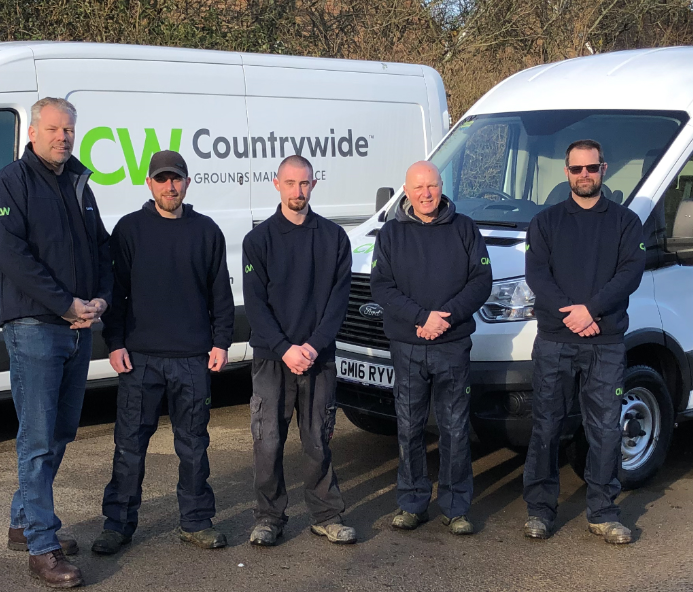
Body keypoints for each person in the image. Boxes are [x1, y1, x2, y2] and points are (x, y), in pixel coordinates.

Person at [0, 97, 113, 587]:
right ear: (33, 132)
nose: (63, 137)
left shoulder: (78, 184)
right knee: (37, 439)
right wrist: (64, 303)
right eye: (54, 129)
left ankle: (24, 521)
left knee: (59, 432)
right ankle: (42, 546)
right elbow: (10, 255)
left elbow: (101, 246)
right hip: (35, 325)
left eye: (69, 130)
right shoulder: (10, 183)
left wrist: (100, 298)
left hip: (78, 326)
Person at [91, 150, 234, 555]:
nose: (170, 186)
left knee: (194, 446)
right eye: (162, 179)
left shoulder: (206, 231)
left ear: (188, 182)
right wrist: (115, 343)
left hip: (192, 358)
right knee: (129, 446)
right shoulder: (129, 230)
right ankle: (117, 525)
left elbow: (220, 293)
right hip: (140, 359)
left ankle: (196, 521)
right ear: (149, 183)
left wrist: (221, 341)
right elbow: (115, 292)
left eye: (176, 179)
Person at [522, 139, 646, 545]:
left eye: (591, 168)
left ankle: (603, 512)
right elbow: (538, 276)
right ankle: (540, 510)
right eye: (577, 169)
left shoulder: (625, 223)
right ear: (567, 173)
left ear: (603, 169)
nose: (584, 175)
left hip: (605, 342)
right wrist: (571, 314)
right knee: (546, 425)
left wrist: (591, 310)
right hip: (555, 342)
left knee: (606, 429)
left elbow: (629, 274)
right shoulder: (546, 222)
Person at [370, 161, 492, 535]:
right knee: (409, 427)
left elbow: (481, 281)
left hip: (452, 345)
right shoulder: (390, 233)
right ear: (406, 191)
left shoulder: (464, 228)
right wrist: (421, 317)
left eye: (433, 186)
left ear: (442, 186)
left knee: (455, 427)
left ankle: (456, 507)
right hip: (408, 345)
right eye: (419, 187)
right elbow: (382, 287)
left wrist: (445, 318)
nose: (426, 194)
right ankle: (412, 503)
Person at [243, 155, 355, 545]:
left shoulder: (333, 238)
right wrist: (285, 348)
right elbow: (255, 304)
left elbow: (338, 302)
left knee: (318, 439)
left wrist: (311, 346)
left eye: (304, 183)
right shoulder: (258, 240)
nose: (298, 191)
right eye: (290, 183)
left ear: (313, 184)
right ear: (277, 184)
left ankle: (327, 515)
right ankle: (268, 517)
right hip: (272, 358)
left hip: (318, 358)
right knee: (267, 441)